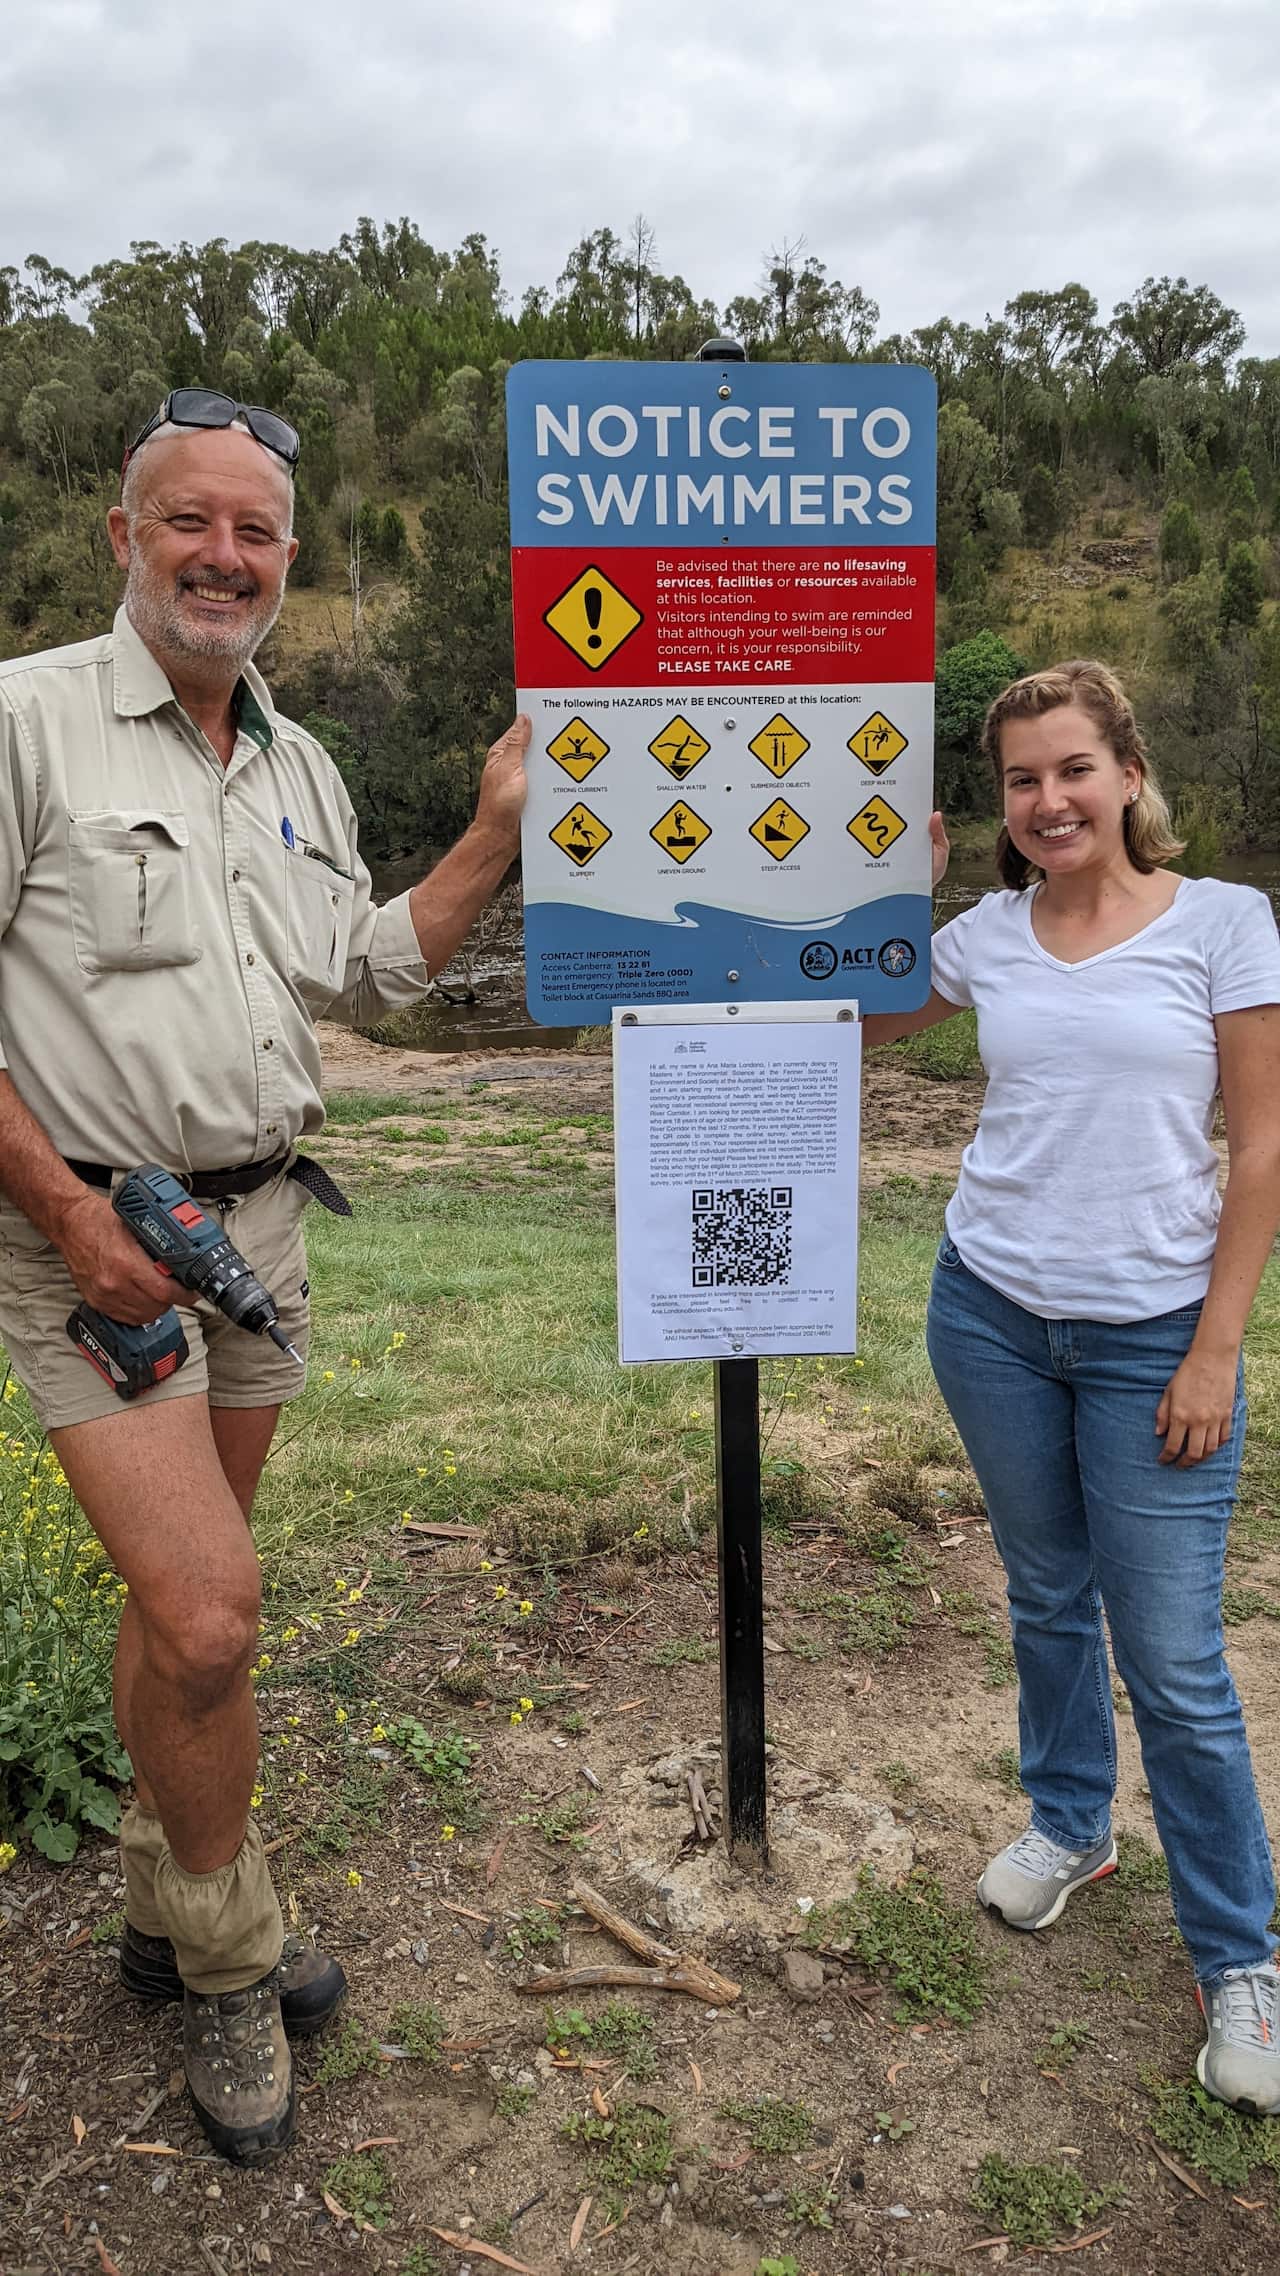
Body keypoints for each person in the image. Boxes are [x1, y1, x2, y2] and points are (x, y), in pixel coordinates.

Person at [0, 389, 529, 2161]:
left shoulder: (299, 766)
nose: (224, 556)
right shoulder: (30, 722)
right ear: (124, 537)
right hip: (89, 1243)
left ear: (290, 562)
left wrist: (495, 829)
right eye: (190, 521)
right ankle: (230, 1962)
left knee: (187, 1621)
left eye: (257, 532)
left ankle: (161, 1893)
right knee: (216, 1615)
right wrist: (75, 1222)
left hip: (259, 1236)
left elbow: (366, 976)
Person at [864, 659, 1280, 2115]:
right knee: (1046, 1595)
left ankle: (1241, 1959)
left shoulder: (1226, 924)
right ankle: (1069, 1826)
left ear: (1128, 774)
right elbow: (867, 1017)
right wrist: (887, 895)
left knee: (1172, 1657)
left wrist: (1216, 1347)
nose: (1050, 802)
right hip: (989, 1313)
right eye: (1023, 781)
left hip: (1152, 1335)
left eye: (1073, 771)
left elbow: (1264, 1146)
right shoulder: (986, 935)